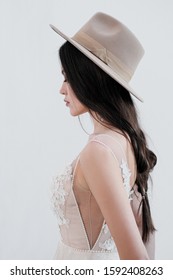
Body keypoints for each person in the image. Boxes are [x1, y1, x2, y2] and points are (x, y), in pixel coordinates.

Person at [50, 12, 157, 260]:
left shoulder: (98, 151)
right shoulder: (126, 139)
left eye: (67, 77)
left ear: (89, 79)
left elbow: (137, 260)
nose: (61, 89)